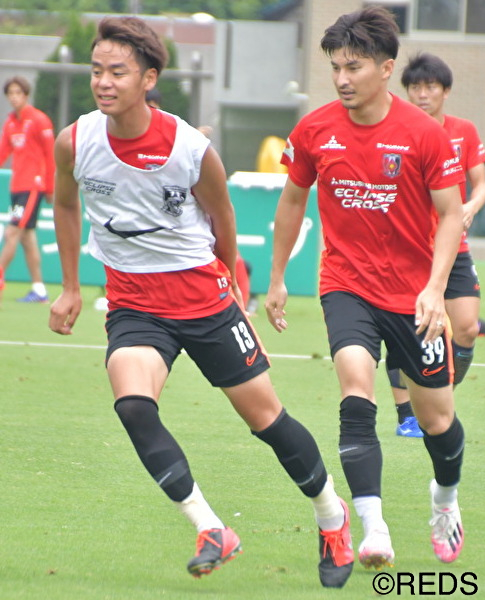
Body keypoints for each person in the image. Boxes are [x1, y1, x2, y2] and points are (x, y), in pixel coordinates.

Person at [49, 16, 353, 589]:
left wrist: (233, 286)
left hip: (202, 300)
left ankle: (331, 516)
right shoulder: (75, 141)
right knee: (133, 406)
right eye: (96, 71)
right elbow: (65, 205)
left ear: (149, 79)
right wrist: (69, 286)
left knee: (266, 419)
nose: (103, 82)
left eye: (118, 72)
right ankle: (211, 528)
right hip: (135, 304)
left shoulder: (189, 148)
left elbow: (223, 217)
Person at [265, 6, 467, 569]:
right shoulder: (314, 130)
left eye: (353, 66)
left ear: (385, 68)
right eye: (335, 67)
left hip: (414, 295)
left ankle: (445, 499)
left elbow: (451, 214)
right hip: (346, 284)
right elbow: (292, 200)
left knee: (437, 421)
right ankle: (373, 527)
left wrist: (435, 288)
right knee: (356, 387)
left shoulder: (424, 135)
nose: (342, 78)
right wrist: (277, 277)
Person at [388, 52, 485, 438]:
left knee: (466, 328)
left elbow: (481, 185)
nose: (422, 94)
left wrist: (470, 207)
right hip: (410, 247)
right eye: (415, 87)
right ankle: (406, 415)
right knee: (404, 329)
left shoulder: (464, 131)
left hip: (453, 246)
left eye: (430, 87)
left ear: (445, 91)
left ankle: (439, 396)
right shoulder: (396, 132)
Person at [0, 75, 55, 304]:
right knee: (27, 237)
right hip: (17, 186)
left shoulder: (39, 120)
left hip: (33, 186)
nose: (14, 97)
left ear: (26, 94)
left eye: (18, 93)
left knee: (12, 232)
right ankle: (39, 290)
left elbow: (50, 154)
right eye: (10, 93)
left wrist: (50, 187)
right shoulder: (11, 123)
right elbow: (3, 152)